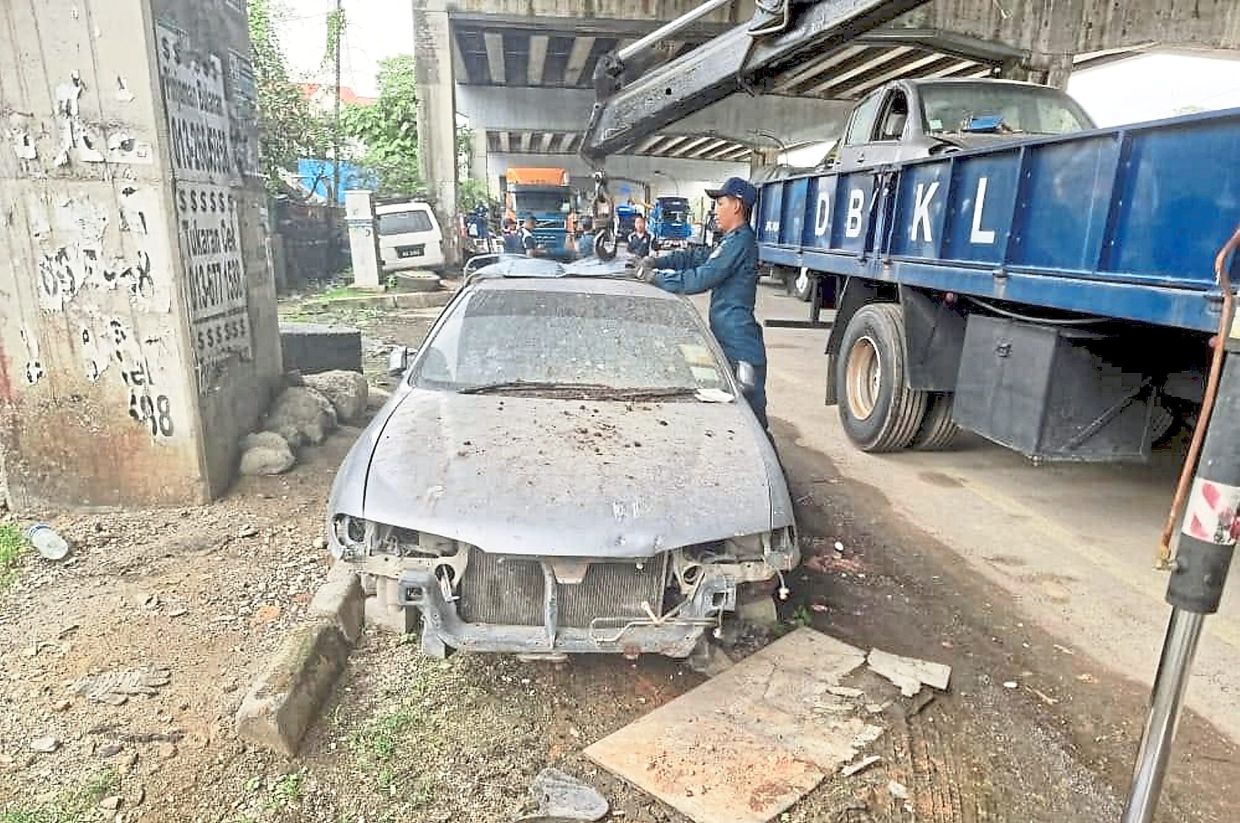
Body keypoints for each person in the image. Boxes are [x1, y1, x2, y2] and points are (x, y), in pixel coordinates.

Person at [636, 177, 768, 429]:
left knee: (753, 424)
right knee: (738, 419)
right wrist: (657, 261)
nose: (715, 211)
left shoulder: (740, 242)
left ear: (737, 206)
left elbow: (702, 278)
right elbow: (696, 257)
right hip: (728, 339)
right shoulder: (731, 241)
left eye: (720, 203)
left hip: (740, 346)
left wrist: (655, 278)